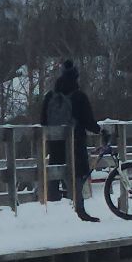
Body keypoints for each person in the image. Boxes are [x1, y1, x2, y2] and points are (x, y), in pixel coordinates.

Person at [40, 59, 104, 222]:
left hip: (55, 146)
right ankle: (79, 211)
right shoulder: (79, 97)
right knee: (78, 175)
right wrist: (102, 131)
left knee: (55, 175)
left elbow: (43, 121)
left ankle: (51, 215)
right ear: (75, 78)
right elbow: (89, 122)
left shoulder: (50, 97)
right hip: (76, 145)